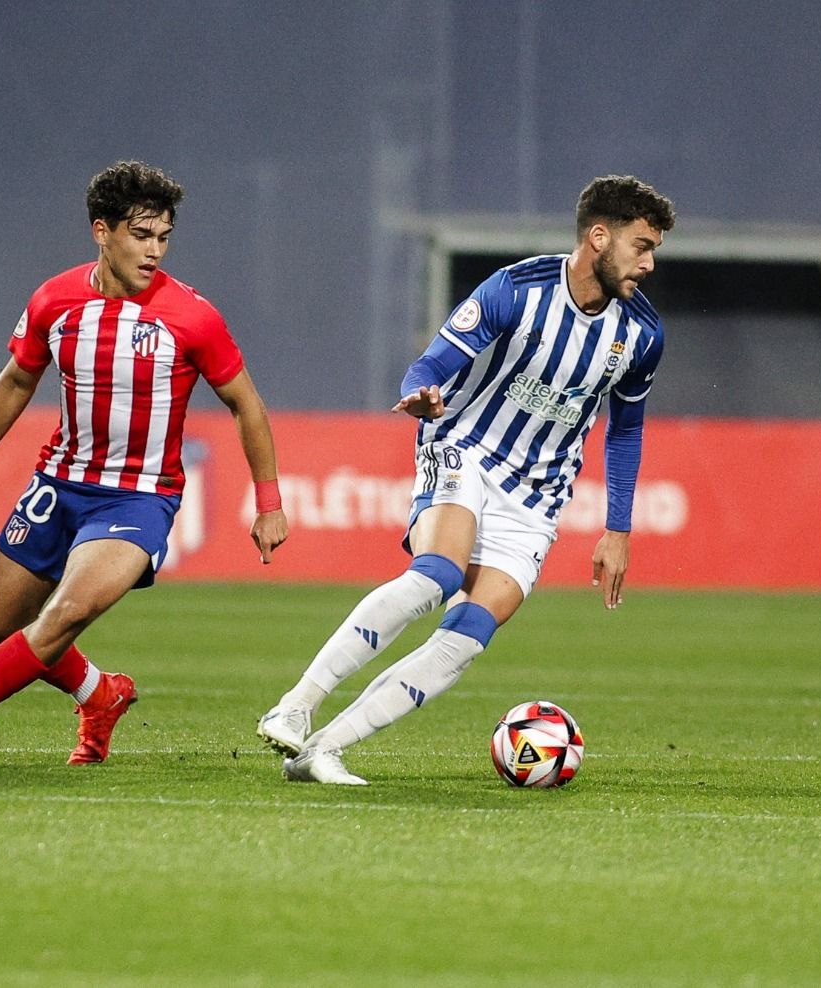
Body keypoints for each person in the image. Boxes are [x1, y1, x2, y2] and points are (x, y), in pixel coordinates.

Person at [257, 174, 674, 784]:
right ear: (599, 237)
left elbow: (626, 431)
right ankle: (295, 705)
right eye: (641, 246)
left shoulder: (642, 334)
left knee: (470, 632)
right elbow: (429, 366)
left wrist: (618, 529)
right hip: (467, 449)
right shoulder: (517, 289)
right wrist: (419, 397)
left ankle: (321, 750)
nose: (650, 263)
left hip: (536, 499)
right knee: (437, 576)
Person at [0, 160, 288, 764]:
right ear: (102, 232)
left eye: (164, 237)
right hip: (61, 481)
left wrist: (269, 503)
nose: (155, 251)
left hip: (138, 498)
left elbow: (247, 407)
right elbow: (16, 382)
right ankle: (100, 695)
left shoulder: (193, 317)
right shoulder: (56, 299)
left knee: (65, 612)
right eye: (140, 235)